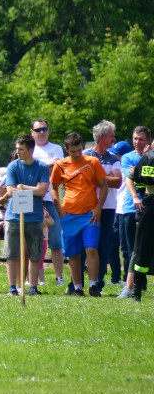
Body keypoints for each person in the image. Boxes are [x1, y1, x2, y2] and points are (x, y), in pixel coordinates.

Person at [50, 132, 108, 297]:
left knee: (91, 249)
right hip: (68, 216)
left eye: (79, 150)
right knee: (73, 253)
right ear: (66, 149)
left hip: (90, 215)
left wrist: (98, 208)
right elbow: (53, 188)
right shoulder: (60, 165)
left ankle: (94, 286)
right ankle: (77, 288)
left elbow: (103, 186)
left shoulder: (92, 162)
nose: (76, 154)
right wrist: (59, 208)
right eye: (73, 151)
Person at [2, 134, 50, 296]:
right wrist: (33, 189)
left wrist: (22, 187)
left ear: (30, 150)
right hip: (14, 217)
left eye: (21, 149)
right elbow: (10, 190)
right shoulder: (13, 167)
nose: (17, 152)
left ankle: (32, 287)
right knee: (12, 253)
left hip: (35, 217)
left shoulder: (42, 167)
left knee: (35, 254)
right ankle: (12, 288)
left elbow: (43, 190)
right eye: (16, 149)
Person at [83, 120, 122, 293]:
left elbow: (117, 181)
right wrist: (105, 177)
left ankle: (98, 283)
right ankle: (78, 283)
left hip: (107, 208)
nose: (114, 138)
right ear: (102, 137)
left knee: (103, 246)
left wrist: (97, 178)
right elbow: (81, 179)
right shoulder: (84, 155)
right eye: (112, 135)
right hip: (86, 206)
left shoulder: (113, 158)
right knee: (84, 246)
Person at [117, 126, 152, 298]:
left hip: (146, 205)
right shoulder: (132, 158)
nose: (137, 142)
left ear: (149, 141)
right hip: (136, 207)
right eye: (135, 139)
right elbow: (132, 178)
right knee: (133, 250)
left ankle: (138, 285)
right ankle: (131, 287)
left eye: (141, 139)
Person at [31, 119, 66, 285]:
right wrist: (47, 164)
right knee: (32, 239)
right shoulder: (29, 148)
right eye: (38, 130)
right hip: (32, 199)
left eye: (44, 129)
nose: (42, 132)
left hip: (51, 199)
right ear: (32, 132)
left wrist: (37, 166)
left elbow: (58, 167)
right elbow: (31, 168)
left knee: (56, 241)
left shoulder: (56, 148)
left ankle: (59, 276)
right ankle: (35, 279)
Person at [124, 141, 154, 301]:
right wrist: (136, 196)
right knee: (142, 248)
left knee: (142, 247)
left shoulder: (147, 156)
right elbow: (133, 178)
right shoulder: (148, 157)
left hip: (149, 203)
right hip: (149, 204)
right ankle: (137, 289)